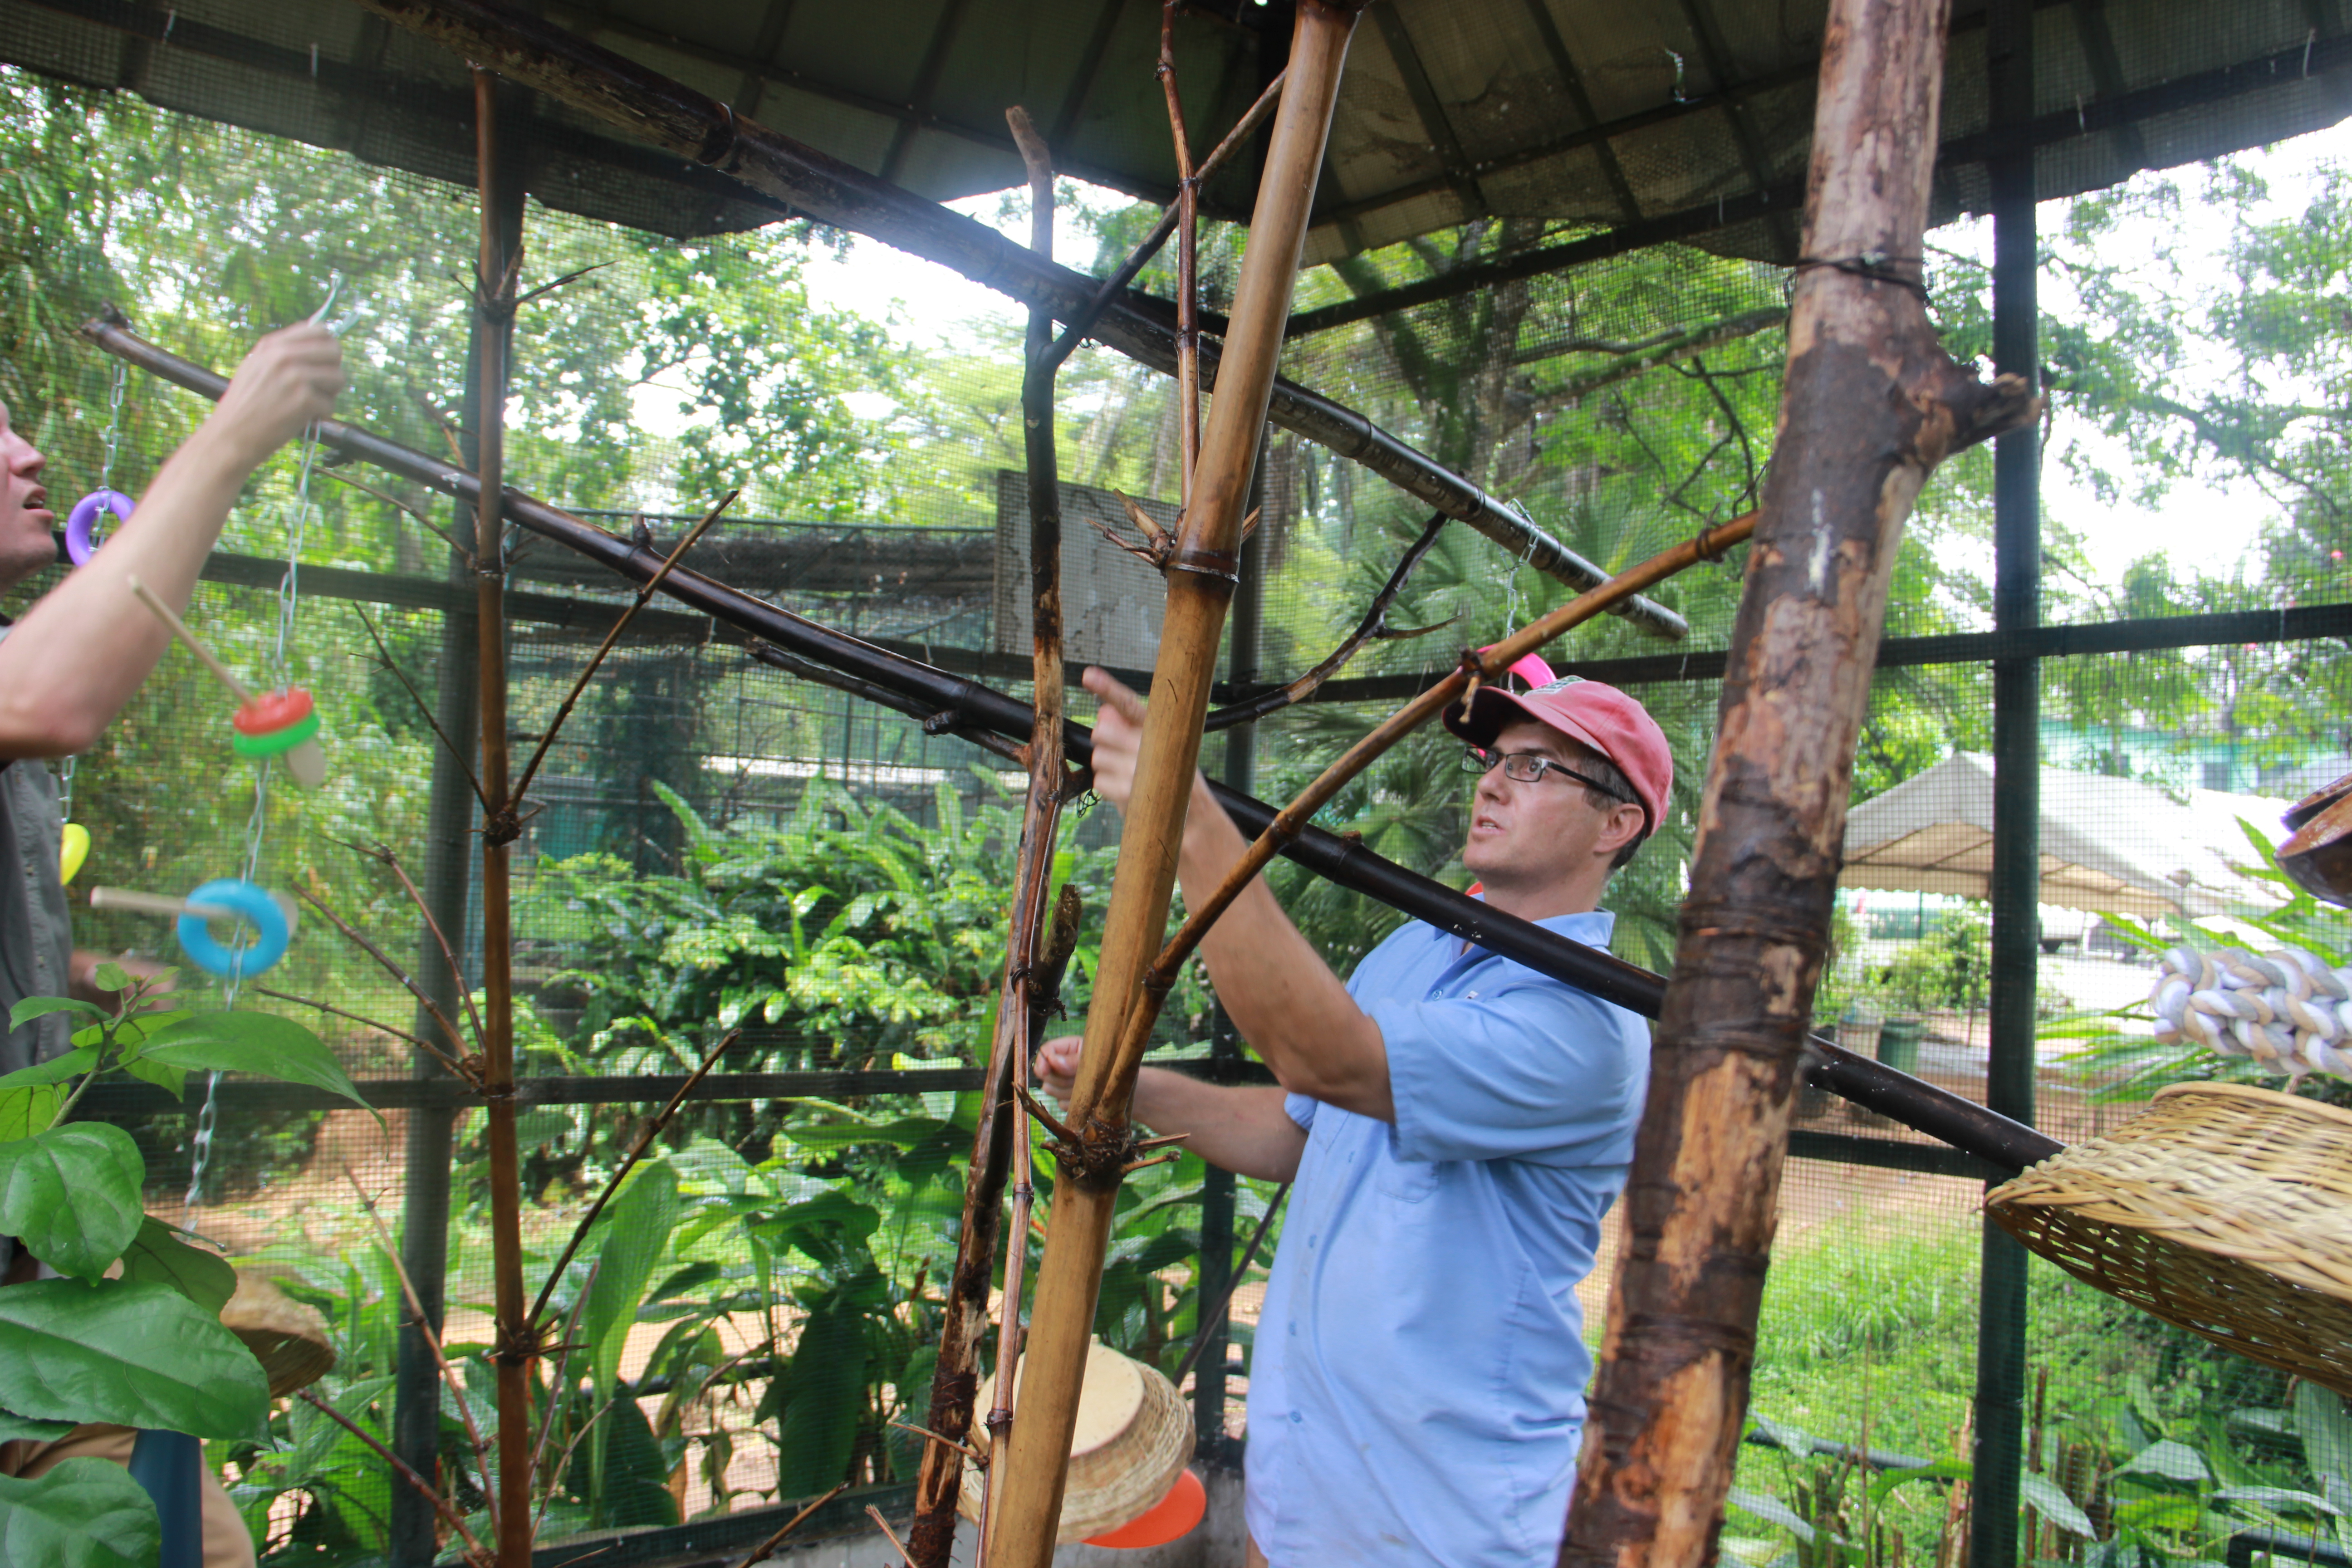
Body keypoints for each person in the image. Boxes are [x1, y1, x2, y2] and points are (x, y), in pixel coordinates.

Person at [1038, 662, 1671, 1566]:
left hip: (1442, 1521)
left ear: (1618, 824)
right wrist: (1140, 1093)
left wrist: (1186, 817)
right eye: (1497, 758)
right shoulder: (1418, 949)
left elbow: (1325, 1055)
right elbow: (1311, 1129)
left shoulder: (1587, 1028)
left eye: (1537, 767)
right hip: (1304, 1490)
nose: (1492, 781)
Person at [0, 321, 347, 1568]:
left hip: (33, 1308)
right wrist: (235, 432)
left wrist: (71, 972)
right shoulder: (18, 687)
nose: (28, 452)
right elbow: (44, 697)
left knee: (195, 1542)